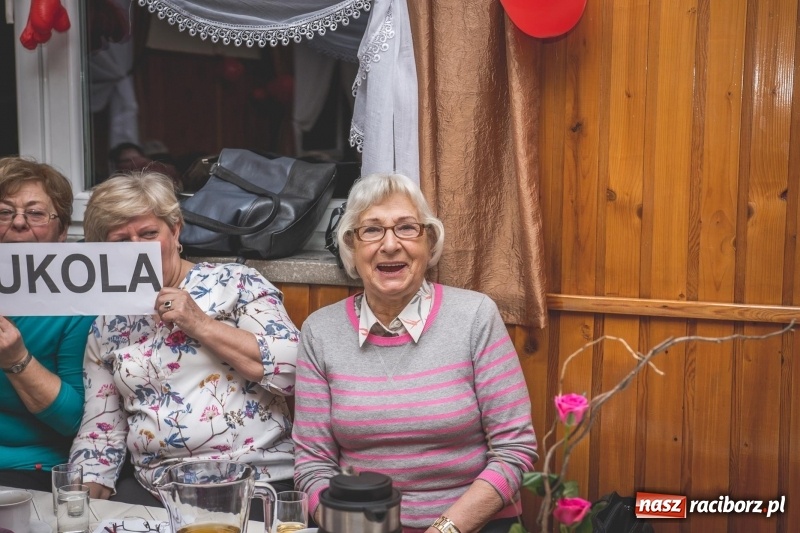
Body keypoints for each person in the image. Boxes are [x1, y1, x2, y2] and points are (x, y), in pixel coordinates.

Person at [293, 173, 538, 533]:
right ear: (351, 247)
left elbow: (515, 450)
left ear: (429, 241)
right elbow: (312, 465)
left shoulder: (474, 316)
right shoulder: (321, 331)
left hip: (470, 525)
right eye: (372, 230)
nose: (390, 245)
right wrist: (352, 527)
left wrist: (443, 529)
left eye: (407, 228)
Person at [69, 171, 299, 505]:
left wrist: (199, 323)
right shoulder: (108, 324)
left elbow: (294, 368)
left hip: (253, 480)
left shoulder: (235, 283)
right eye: (120, 241)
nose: (137, 249)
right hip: (158, 488)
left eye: (149, 233)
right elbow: (100, 429)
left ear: (175, 229)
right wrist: (80, 498)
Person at [0, 156, 96, 490]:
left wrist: (16, 360)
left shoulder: (77, 301)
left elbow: (73, 420)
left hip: (33, 470)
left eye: (36, 213)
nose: (19, 223)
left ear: (61, 232)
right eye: (4, 211)